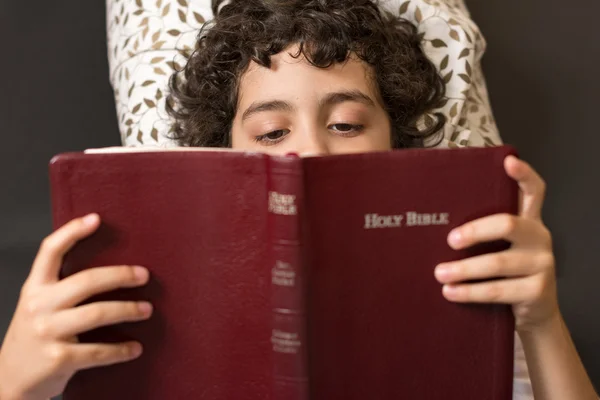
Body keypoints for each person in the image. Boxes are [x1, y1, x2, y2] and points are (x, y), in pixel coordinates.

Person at [0, 0, 597, 399]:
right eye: (271, 133)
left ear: (397, 145)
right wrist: (15, 380)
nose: (308, 154)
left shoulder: (466, 278)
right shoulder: (156, 294)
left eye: (344, 125)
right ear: (223, 160)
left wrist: (540, 321)